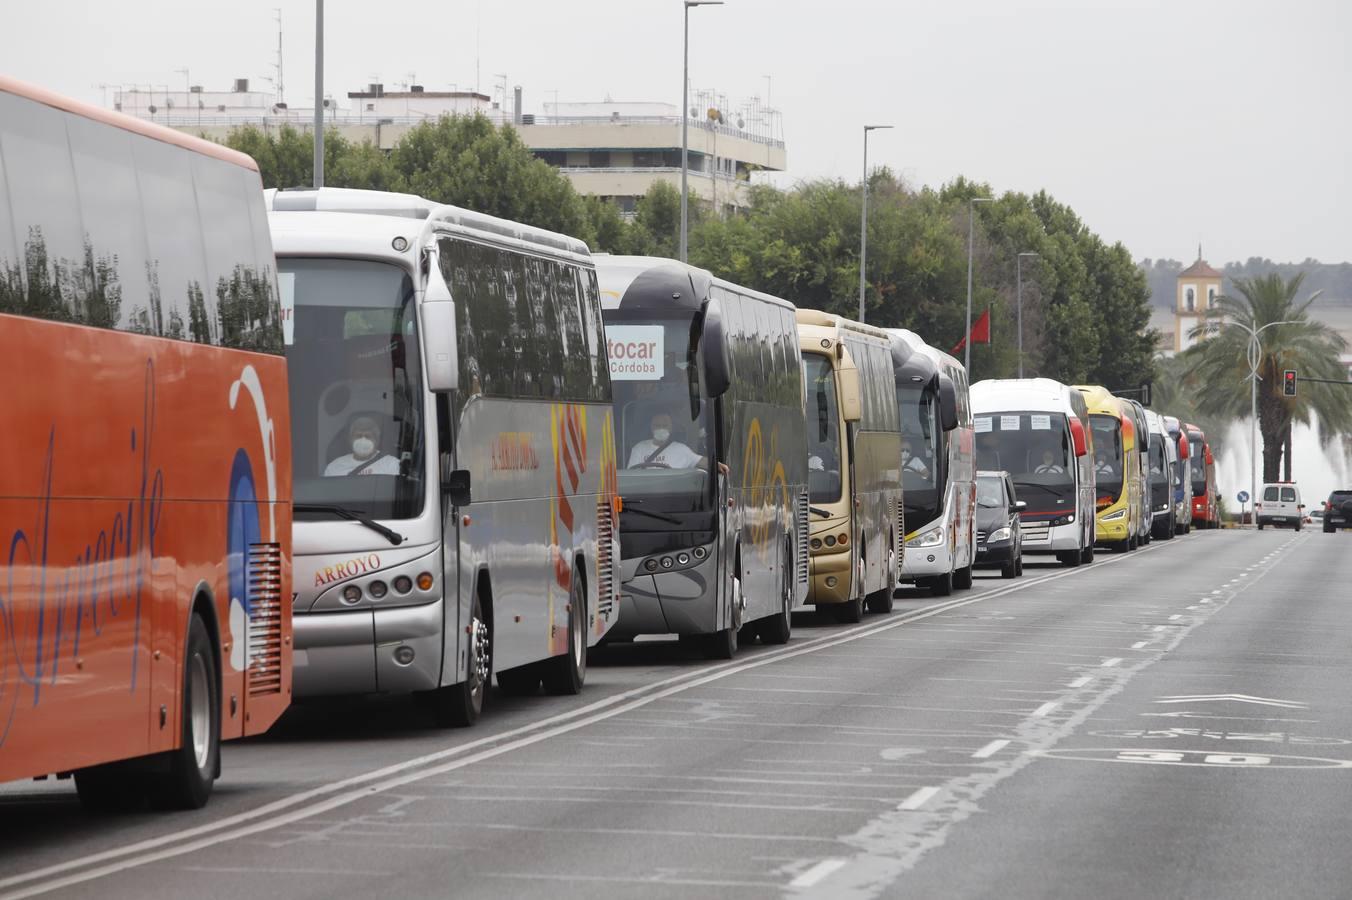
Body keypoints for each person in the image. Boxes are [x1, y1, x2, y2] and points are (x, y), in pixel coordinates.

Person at [325, 416, 401, 476]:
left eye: (368, 436)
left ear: (376, 440)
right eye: (358, 436)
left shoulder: (391, 464)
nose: (363, 440)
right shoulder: (335, 467)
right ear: (350, 439)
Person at [627, 412, 702, 469]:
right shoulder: (639, 448)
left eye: (665, 425)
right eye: (657, 425)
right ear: (651, 427)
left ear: (671, 428)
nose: (661, 429)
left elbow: (703, 462)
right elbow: (632, 474)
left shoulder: (682, 449)